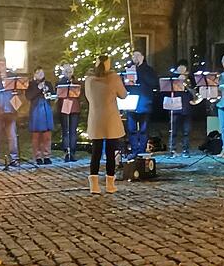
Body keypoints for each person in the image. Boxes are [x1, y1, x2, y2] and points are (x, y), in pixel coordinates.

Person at [84, 55, 128, 194]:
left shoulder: (89, 80)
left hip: (96, 118)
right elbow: (123, 94)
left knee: (96, 152)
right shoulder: (113, 78)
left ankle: (94, 185)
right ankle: (110, 184)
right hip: (110, 119)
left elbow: (88, 97)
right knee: (110, 152)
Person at [125, 50, 158, 159]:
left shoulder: (148, 70)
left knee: (143, 129)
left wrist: (139, 72)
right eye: (134, 56)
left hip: (144, 101)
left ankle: (142, 150)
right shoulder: (129, 69)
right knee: (131, 128)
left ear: (143, 57)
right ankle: (134, 150)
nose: (135, 58)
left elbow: (153, 83)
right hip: (131, 102)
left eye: (138, 55)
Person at [26, 67, 55, 165]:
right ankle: (37, 156)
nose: (40, 74)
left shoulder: (48, 83)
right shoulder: (31, 84)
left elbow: (54, 95)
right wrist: (38, 88)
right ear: (34, 75)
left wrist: (49, 93)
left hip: (46, 109)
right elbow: (29, 96)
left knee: (47, 135)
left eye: (42, 72)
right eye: (38, 73)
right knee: (36, 135)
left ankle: (47, 156)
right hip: (36, 111)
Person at [168, 60, 193, 158]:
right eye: (180, 67)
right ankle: (172, 149)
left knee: (186, 131)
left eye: (183, 67)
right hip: (174, 106)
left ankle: (185, 150)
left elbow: (194, 91)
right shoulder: (172, 78)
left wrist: (187, 82)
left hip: (186, 106)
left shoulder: (190, 78)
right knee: (173, 130)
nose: (181, 69)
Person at [57, 63, 81, 162]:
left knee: (73, 131)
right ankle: (66, 152)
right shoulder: (60, 82)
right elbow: (58, 93)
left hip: (74, 108)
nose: (68, 73)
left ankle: (73, 152)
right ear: (63, 72)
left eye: (70, 72)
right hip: (64, 107)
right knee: (65, 130)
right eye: (66, 72)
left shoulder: (76, 81)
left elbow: (80, 93)